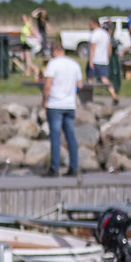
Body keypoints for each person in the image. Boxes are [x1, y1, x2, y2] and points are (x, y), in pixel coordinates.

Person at [41, 46, 82, 177]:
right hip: (70, 104)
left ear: (55, 51)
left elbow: (47, 85)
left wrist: (45, 100)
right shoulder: (74, 64)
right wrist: (70, 92)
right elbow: (80, 85)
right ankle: (74, 167)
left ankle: (54, 168)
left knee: (55, 136)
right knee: (71, 136)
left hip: (55, 104)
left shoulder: (53, 64)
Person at [86, 19, 119, 102]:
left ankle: (89, 97)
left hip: (95, 60)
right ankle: (114, 95)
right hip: (104, 61)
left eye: (90, 24)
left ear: (94, 24)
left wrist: (90, 60)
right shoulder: (105, 34)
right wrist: (108, 58)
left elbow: (92, 48)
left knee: (89, 79)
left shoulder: (94, 34)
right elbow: (109, 47)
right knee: (104, 79)